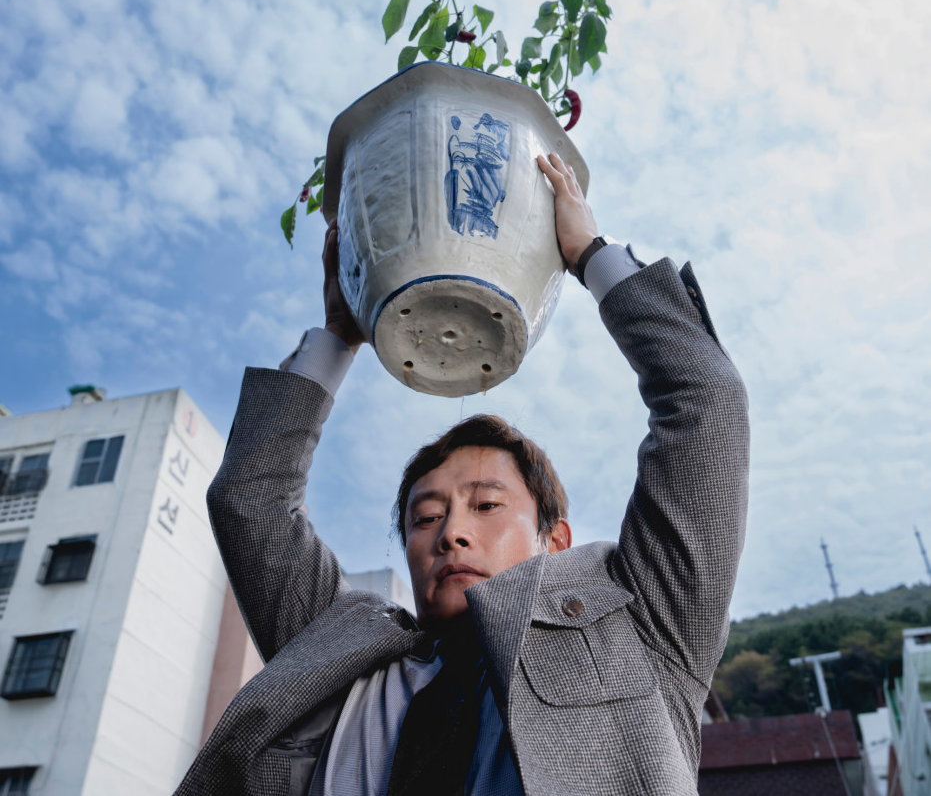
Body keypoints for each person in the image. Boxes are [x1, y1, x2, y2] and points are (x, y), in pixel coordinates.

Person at [174, 153, 749, 796]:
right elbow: (250, 500)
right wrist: (339, 333)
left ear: (554, 540)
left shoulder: (643, 621)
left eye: (487, 505)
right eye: (425, 517)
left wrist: (589, 253)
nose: (450, 533)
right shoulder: (336, 651)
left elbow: (706, 401)